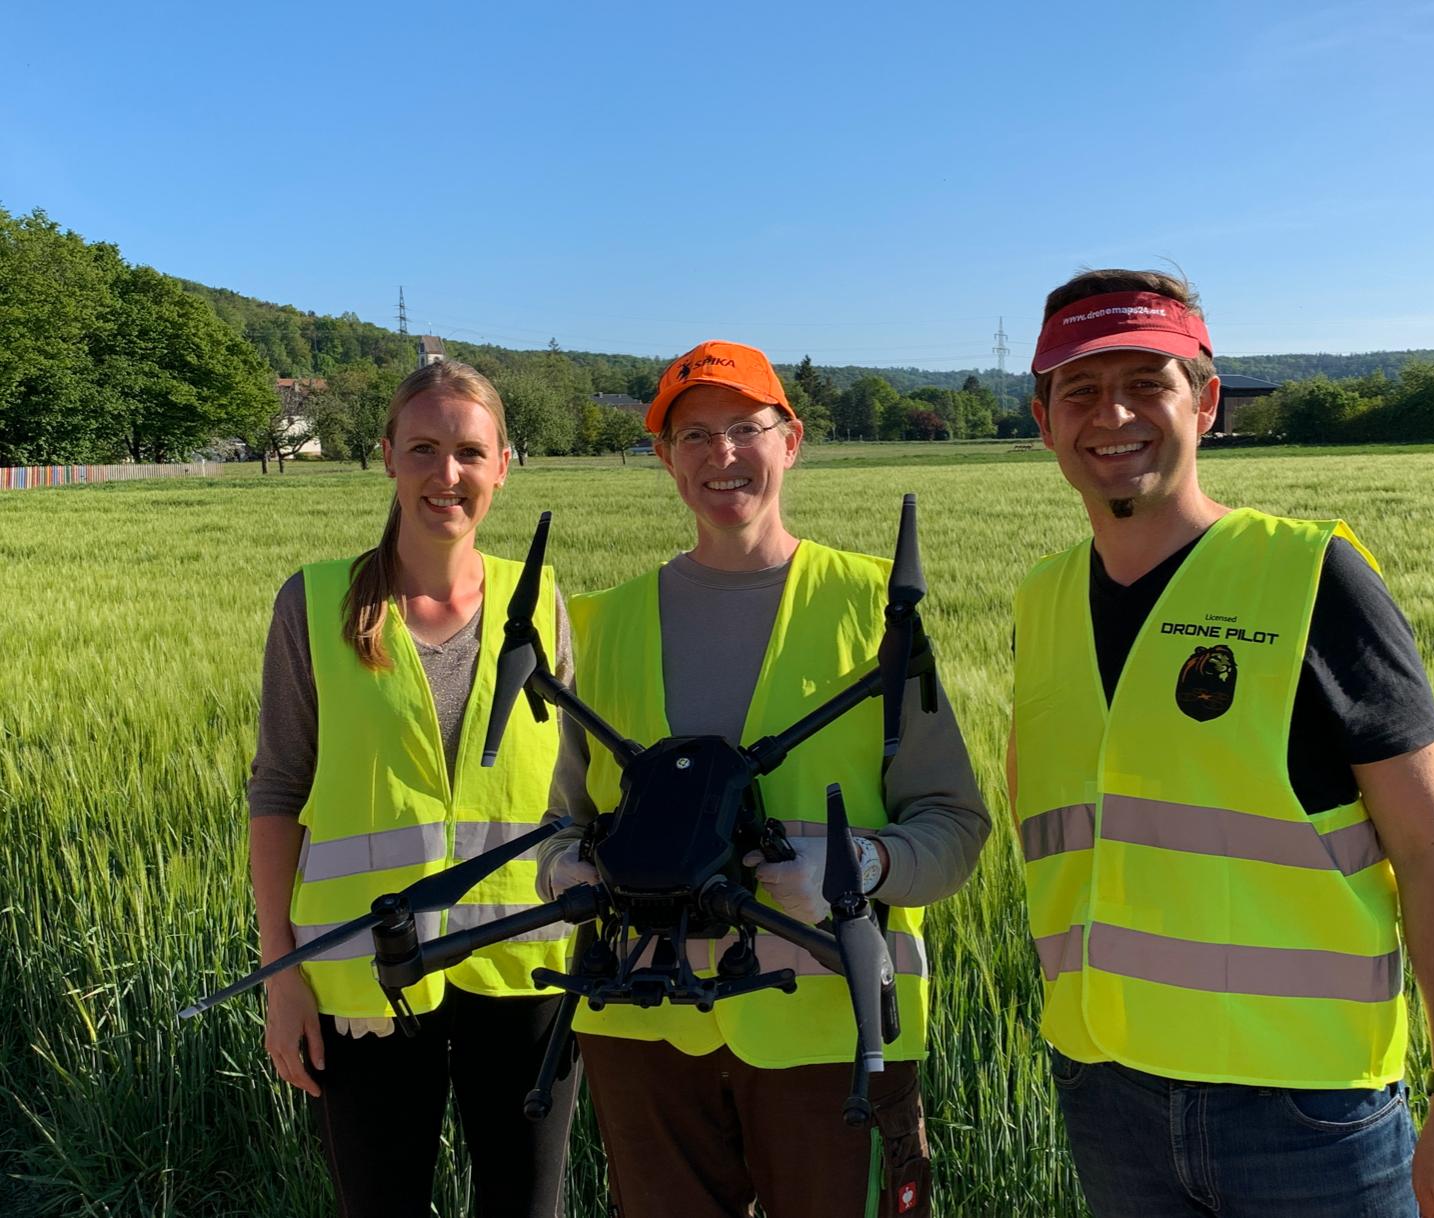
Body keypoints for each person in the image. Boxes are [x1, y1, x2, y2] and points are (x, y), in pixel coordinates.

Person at [1009, 270, 1434, 1218]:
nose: (1112, 413)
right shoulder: (1041, 604)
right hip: (1105, 1095)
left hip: (1307, 1113)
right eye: (1080, 389)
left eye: (1147, 382)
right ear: (1044, 421)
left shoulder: (1311, 576)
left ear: (1205, 402)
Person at [534, 340, 991, 1218]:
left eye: (746, 427)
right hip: (641, 1025)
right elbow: (564, 821)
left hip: (834, 1031)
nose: (721, 455)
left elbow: (955, 823)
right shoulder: (600, 625)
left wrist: (864, 864)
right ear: (663, 457)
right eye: (693, 434)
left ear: (793, 441)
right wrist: (564, 868)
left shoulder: (875, 614)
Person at [246, 359, 580, 1218]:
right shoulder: (315, 604)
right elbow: (277, 792)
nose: (447, 475)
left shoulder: (538, 601)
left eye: (470, 451)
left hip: (526, 971)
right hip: (361, 980)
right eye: (423, 448)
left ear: (504, 464)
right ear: (387, 454)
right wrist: (282, 976)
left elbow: (575, 792)